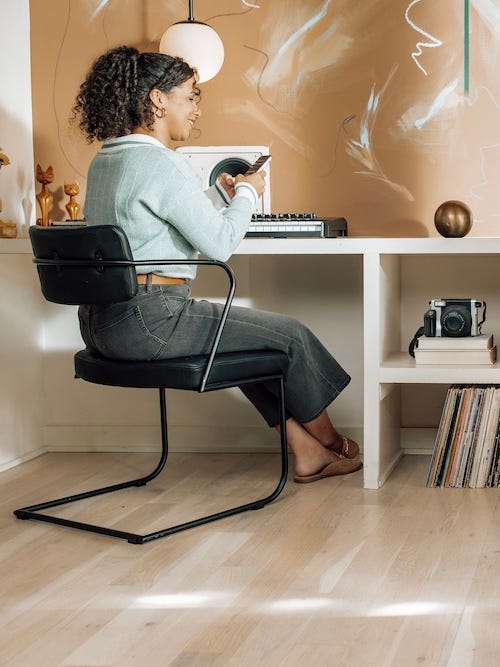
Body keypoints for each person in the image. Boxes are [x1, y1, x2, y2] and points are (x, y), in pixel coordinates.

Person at [72, 45, 360, 483]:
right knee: (291, 336)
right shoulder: (163, 163)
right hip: (152, 319)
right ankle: (332, 442)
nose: (193, 111)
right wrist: (248, 193)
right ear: (157, 99)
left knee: (248, 345)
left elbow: (150, 223)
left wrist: (221, 196)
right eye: (189, 97)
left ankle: (305, 452)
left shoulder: (107, 160)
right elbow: (221, 243)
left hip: (102, 325)